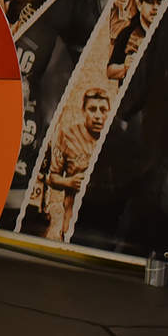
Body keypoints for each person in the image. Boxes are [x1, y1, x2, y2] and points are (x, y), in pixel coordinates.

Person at [43, 88, 110, 240]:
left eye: (103, 110)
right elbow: (52, 177)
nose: (98, 116)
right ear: (83, 111)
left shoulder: (114, 139)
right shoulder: (67, 136)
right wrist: (69, 182)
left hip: (104, 223)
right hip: (73, 220)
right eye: (92, 109)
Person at [107, 0, 163, 83]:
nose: (155, 7)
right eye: (150, 2)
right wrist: (124, 67)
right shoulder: (127, 33)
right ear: (140, 5)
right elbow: (110, 71)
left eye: (159, 3)